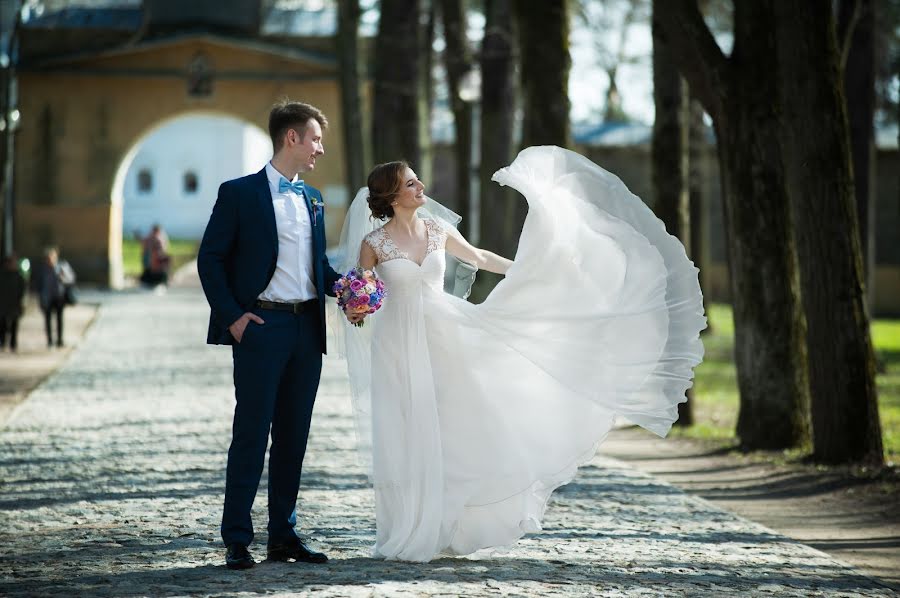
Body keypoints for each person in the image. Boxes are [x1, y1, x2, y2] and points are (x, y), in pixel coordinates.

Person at [337, 146, 707, 562]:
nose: (420, 186)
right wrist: (356, 305)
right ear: (391, 196)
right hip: (397, 345)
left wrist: (528, 271)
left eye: (416, 179)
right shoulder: (374, 243)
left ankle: (450, 523)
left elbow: (478, 257)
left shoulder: (436, 228)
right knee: (407, 431)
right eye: (410, 183)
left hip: (445, 336)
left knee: (453, 426)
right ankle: (409, 525)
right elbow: (359, 296)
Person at [197, 100, 341, 570]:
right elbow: (210, 259)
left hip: (306, 330)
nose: (321, 147)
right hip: (260, 328)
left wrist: (350, 290)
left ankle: (284, 534)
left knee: (294, 436)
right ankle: (237, 538)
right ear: (292, 138)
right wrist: (234, 318)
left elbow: (317, 267)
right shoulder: (239, 193)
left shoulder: (313, 199)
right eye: (315, 138)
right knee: (251, 435)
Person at [36, 247, 75, 349]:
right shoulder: (42, 269)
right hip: (47, 298)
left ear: (56, 257)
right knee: (48, 320)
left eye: (52, 257)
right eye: (48, 258)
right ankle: (49, 340)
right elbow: (38, 284)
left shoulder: (62, 266)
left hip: (59, 297)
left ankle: (60, 340)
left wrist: (63, 277)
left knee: (59, 319)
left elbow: (71, 279)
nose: (50, 260)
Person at [0, 254, 26, 352]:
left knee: (14, 324)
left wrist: (21, 300)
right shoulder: (2, 275)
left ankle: (13, 343)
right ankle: (2, 342)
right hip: (3, 304)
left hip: (15, 303)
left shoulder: (18, 276)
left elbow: (22, 289)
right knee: (3, 324)